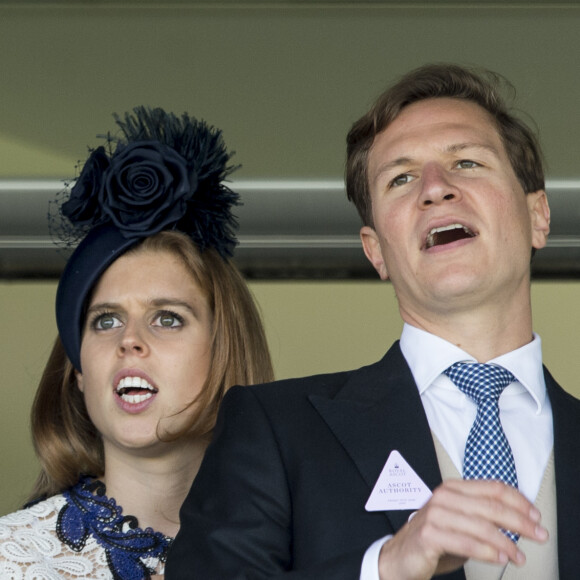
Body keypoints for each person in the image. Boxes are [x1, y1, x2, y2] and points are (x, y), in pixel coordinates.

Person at [165, 64, 580, 580]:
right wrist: (385, 567)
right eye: (401, 178)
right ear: (376, 251)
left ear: (538, 215)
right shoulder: (276, 430)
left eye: (468, 162)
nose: (435, 189)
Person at [0, 107, 273, 579]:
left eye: (167, 318)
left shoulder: (304, 549)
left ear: (227, 348)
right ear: (79, 373)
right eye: (105, 321)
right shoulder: (11, 559)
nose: (130, 340)